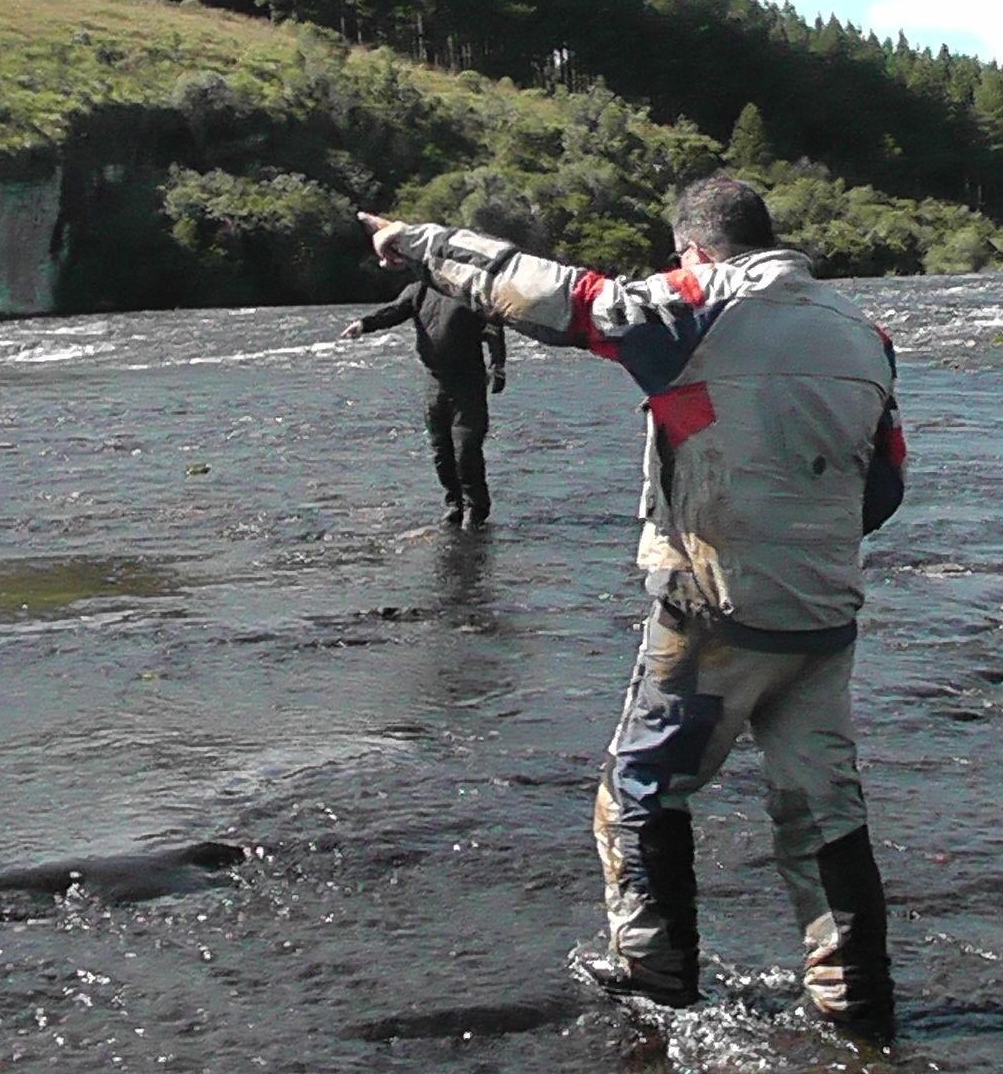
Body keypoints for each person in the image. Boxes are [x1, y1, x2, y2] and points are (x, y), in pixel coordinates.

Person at [356, 175, 907, 1044]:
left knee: (641, 790)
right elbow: (884, 486)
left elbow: (558, 297)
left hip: (715, 607)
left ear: (693, 249)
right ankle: (856, 1001)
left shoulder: (696, 306)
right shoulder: (863, 334)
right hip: (825, 612)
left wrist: (416, 242)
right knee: (825, 810)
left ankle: (655, 985)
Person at [342, 280, 507, 526]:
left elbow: (493, 329)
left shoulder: (472, 292)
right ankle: (454, 504)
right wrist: (364, 324)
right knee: (441, 450)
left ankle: (477, 508)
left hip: (468, 384)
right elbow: (394, 311)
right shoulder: (418, 291)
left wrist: (498, 367)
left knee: (466, 448)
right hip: (435, 382)